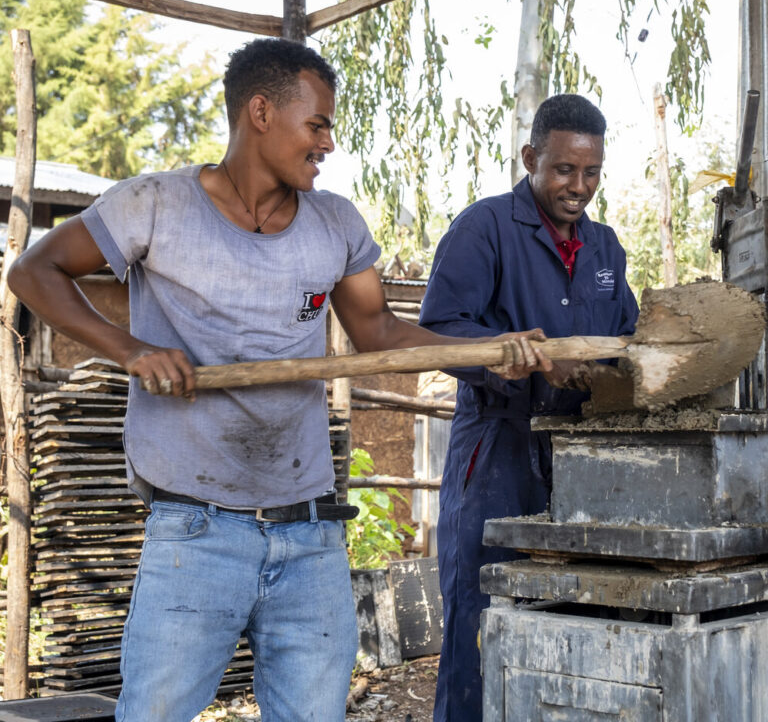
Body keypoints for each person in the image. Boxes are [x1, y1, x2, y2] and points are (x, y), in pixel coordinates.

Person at [9, 38, 554, 722]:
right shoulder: (154, 205)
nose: (327, 142)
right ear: (260, 112)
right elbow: (33, 272)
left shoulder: (335, 225)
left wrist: (486, 349)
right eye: (317, 124)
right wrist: (131, 349)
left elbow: (380, 333)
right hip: (195, 529)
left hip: (310, 534)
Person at [419, 94, 640, 722]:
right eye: (564, 170)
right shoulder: (484, 227)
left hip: (578, 455)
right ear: (530, 159)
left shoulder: (605, 248)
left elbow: (622, 338)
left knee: (574, 610)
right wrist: (502, 357)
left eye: (591, 172)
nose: (579, 186)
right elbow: (436, 329)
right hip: (498, 446)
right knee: (483, 617)